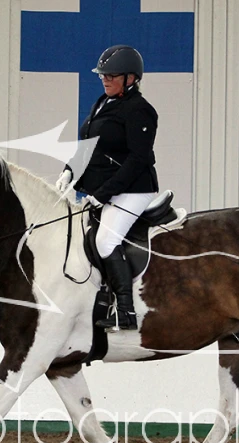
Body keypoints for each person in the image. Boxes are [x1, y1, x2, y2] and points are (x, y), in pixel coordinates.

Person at [56, 45, 160, 331]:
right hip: (107, 189)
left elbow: (137, 160)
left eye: (112, 75)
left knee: (105, 241)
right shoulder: (103, 103)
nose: (105, 79)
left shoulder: (140, 110)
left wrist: (103, 193)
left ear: (131, 78)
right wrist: (69, 171)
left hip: (134, 189)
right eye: (103, 74)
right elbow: (87, 148)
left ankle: (125, 311)